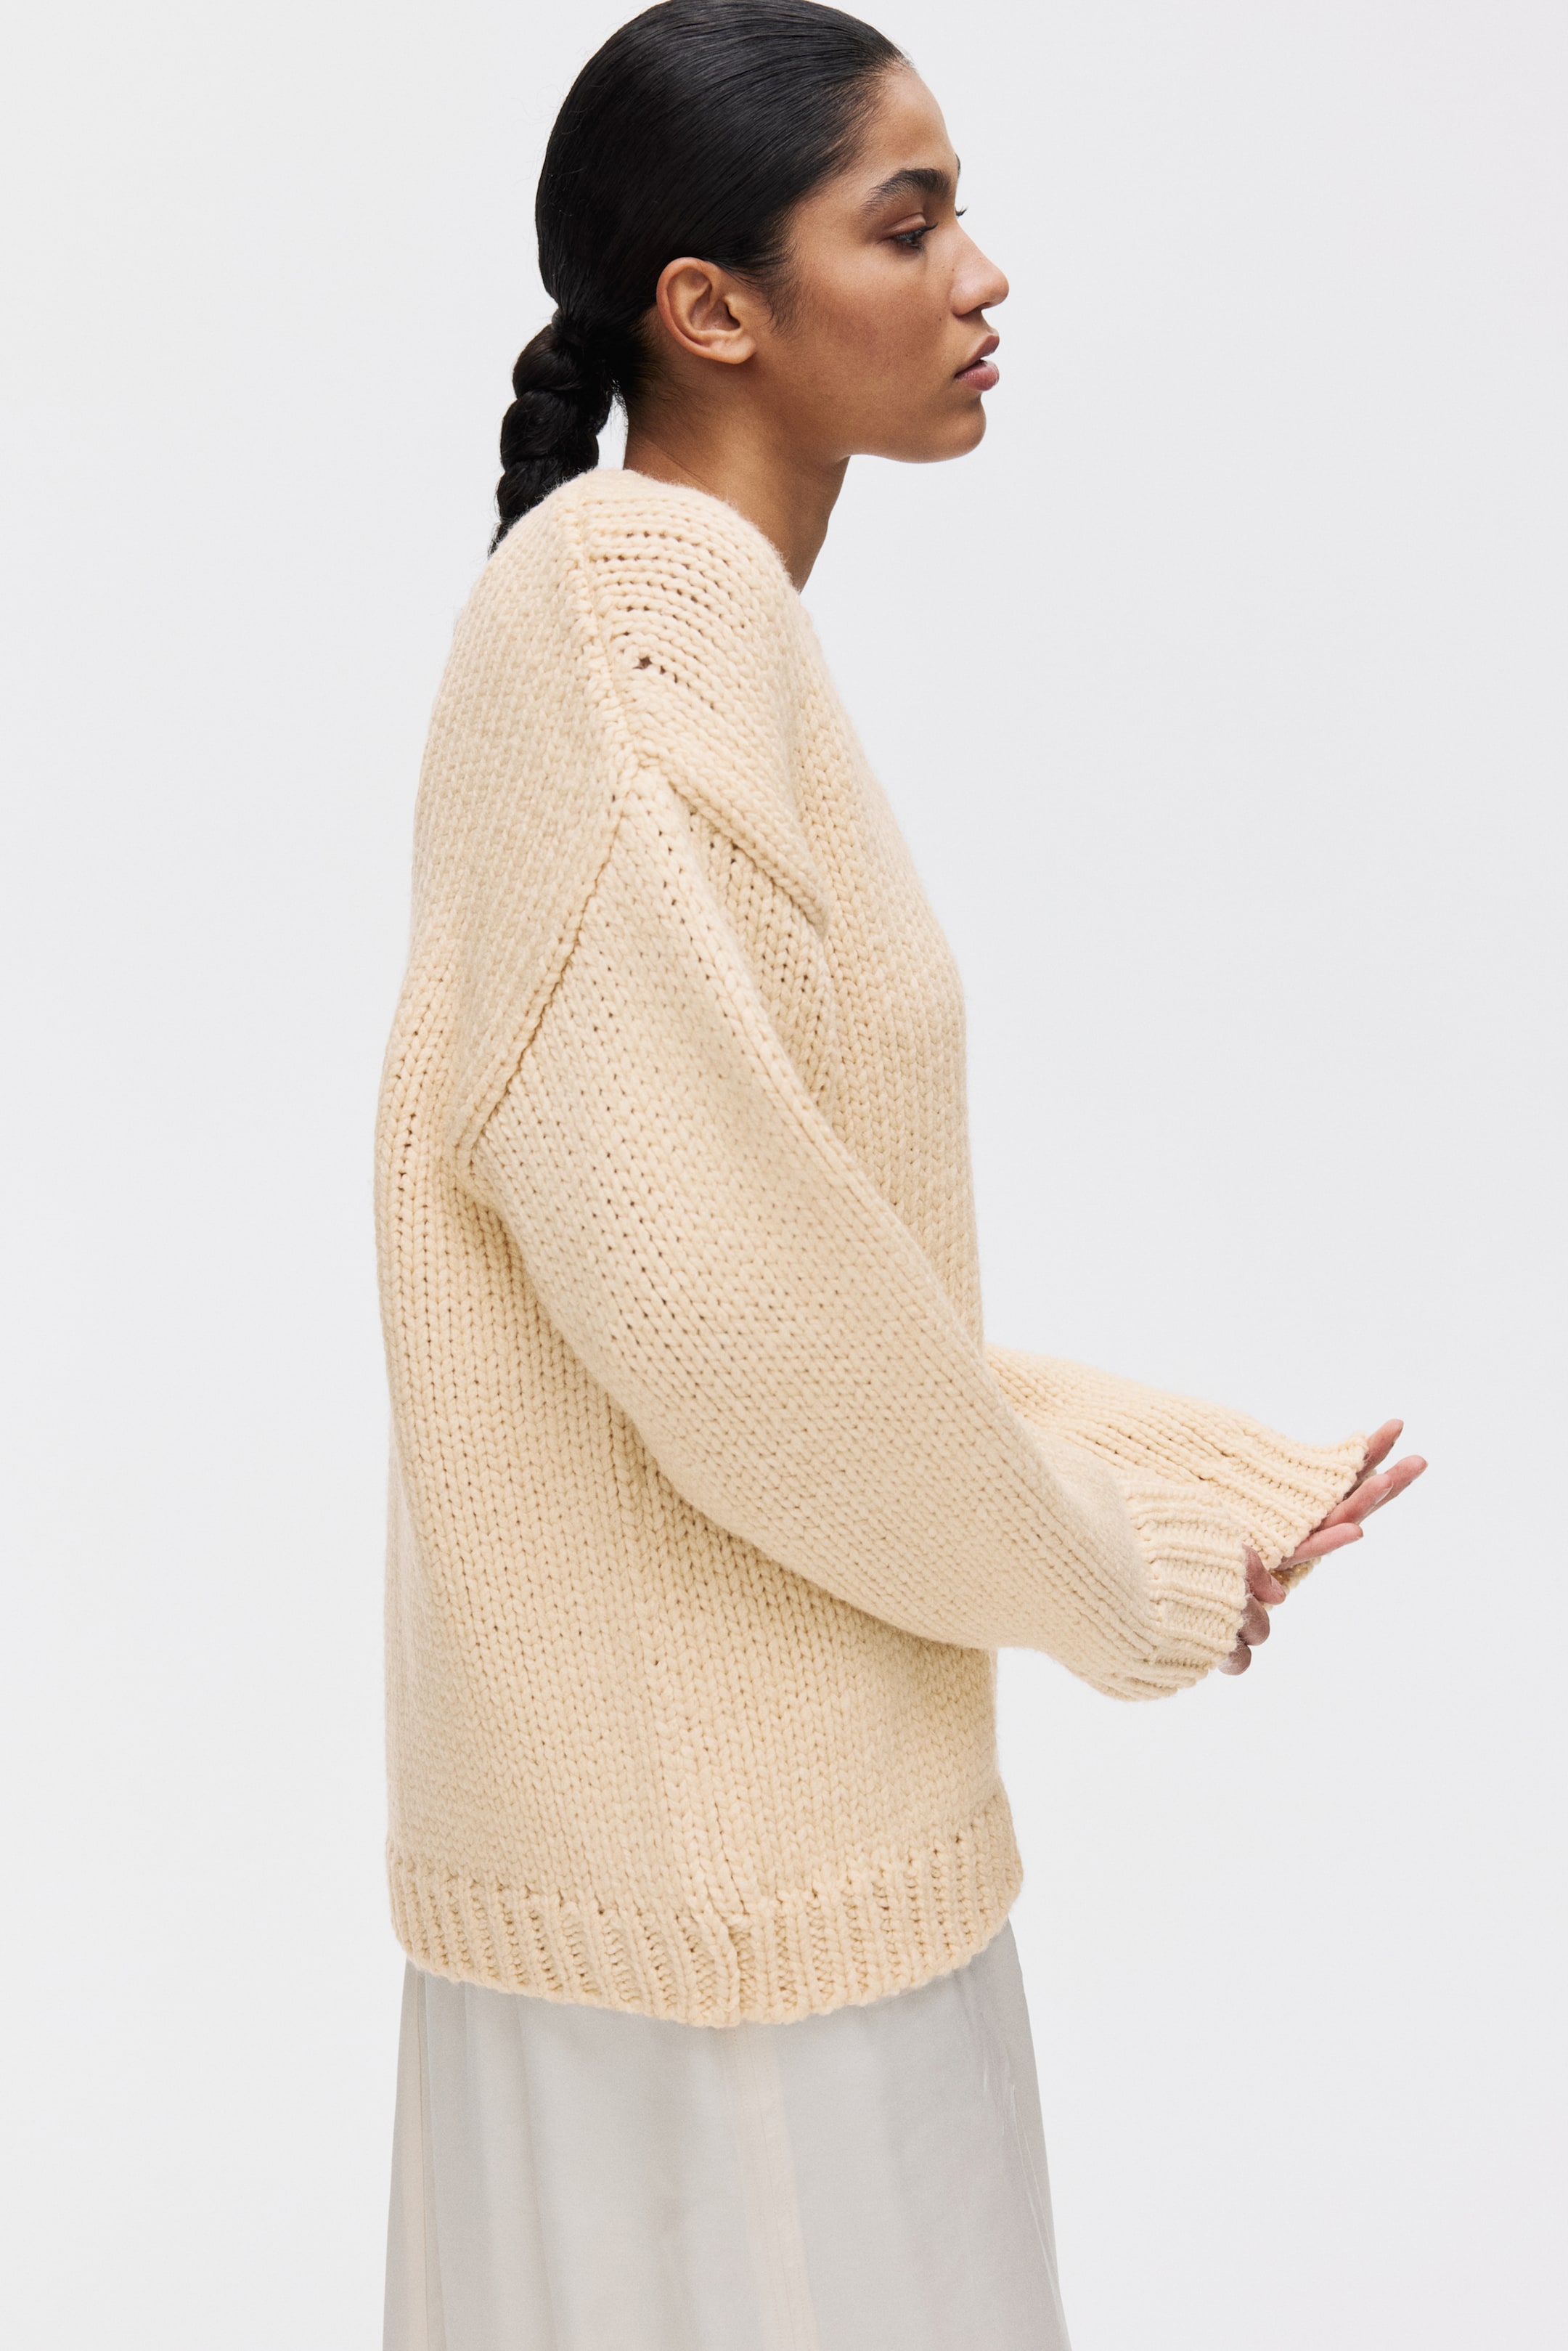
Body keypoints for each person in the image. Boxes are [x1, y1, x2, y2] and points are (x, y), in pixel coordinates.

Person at [375, 5, 1426, 2344]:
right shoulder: (625, 627)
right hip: (722, 1941)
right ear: (711, 306)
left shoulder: (673, 627)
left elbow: (778, 1272)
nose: (982, 275)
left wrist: (1175, 1471)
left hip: (762, 1864)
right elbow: (727, 1315)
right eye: (908, 220)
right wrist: (1111, 1574)